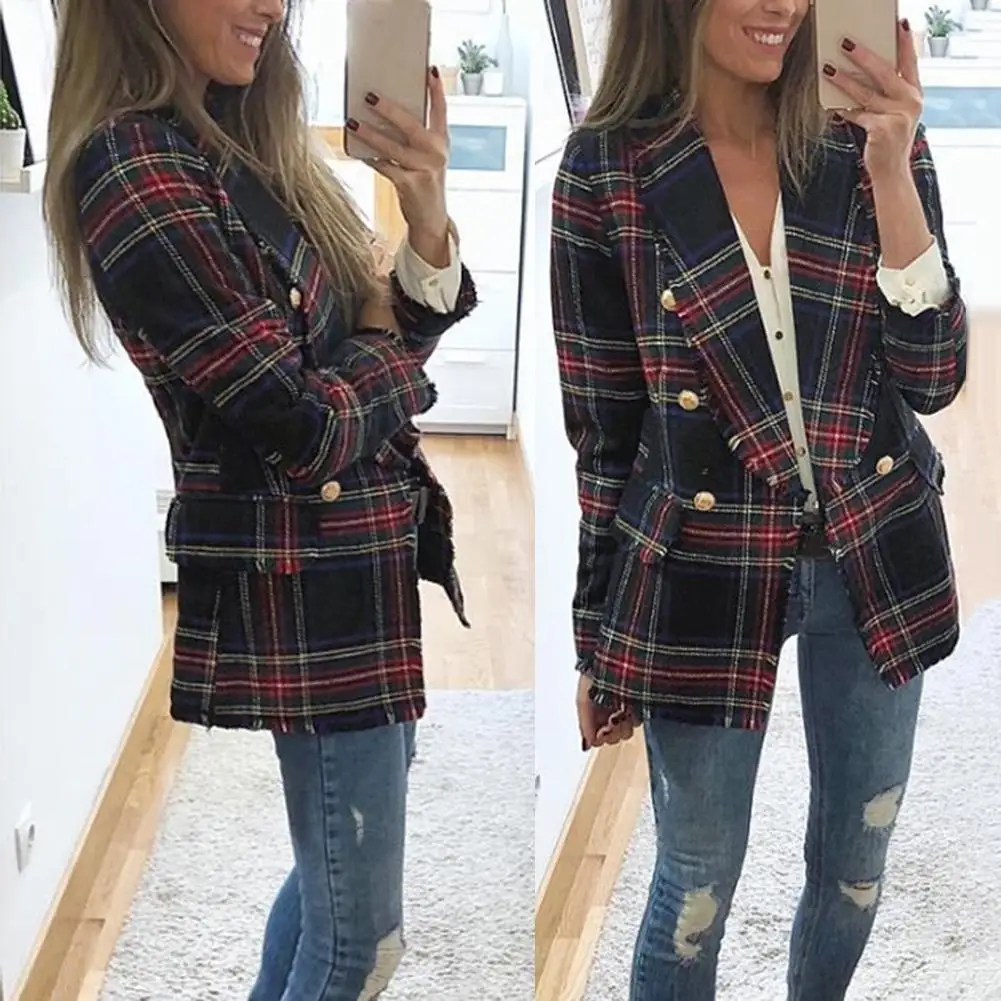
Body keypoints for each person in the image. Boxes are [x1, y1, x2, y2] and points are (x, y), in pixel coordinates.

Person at [43, 0, 477, 997]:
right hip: (303, 583)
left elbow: (372, 338)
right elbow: (307, 428)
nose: (269, 5)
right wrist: (380, 341)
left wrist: (423, 218)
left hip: (356, 559)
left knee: (335, 892)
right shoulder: (136, 172)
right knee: (361, 942)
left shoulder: (234, 142)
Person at [550, 1, 967, 998]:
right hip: (699, 565)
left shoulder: (862, 136)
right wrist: (596, 634)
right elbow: (604, 429)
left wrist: (890, 169)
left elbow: (933, 377)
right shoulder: (605, 168)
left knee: (856, 862)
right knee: (694, 883)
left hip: (872, 550)